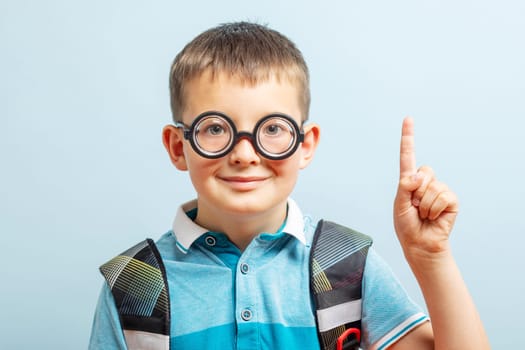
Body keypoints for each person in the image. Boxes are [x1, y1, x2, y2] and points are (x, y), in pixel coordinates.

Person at [89, 21, 489, 349]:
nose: (245, 154)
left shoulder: (344, 264)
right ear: (179, 146)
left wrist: (430, 258)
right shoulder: (134, 284)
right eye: (216, 128)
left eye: (272, 128)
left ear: (305, 144)